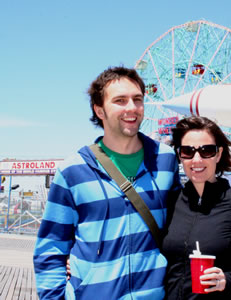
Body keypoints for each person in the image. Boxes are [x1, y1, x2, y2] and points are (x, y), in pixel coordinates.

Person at [33, 66, 181, 300]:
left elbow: (184, 227)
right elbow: (51, 249)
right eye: (120, 101)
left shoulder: (165, 161)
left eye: (138, 99)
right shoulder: (72, 171)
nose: (131, 108)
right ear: (99, 110)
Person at [162, 116, 231, 300]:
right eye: (188, 151)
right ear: (180, 156)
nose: (196, 159)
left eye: (206, 151)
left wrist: (228, 280)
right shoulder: (171, 202)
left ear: (219, 154)